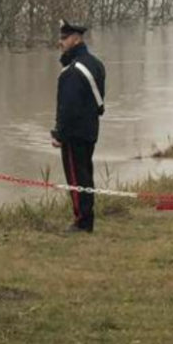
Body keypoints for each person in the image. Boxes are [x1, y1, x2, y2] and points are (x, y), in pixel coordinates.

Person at [50, 19, 106, 233]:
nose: (60, 42)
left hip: (74, 134)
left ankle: (82, 221)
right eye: (60, 38)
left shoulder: (72, 71)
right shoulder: (95, 63)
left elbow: (68, 109)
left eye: (64, 38)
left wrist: (59, 135)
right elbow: (99, 102)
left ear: (76, 39)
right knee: (85, 174)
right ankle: (86, 217)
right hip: (90, 129)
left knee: (76, 177)